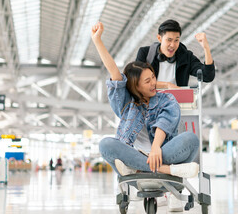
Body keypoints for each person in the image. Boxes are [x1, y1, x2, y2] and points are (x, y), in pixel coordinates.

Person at [92, 21, 199, 177]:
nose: (154, 83)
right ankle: (165, 171)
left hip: (163, 154)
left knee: (191, 139)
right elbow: (115, 73)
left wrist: (156, 148)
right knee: (105, 144)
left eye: (153, 77)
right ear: (136, 86)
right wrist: (97, 41)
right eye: (147, 81)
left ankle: (137, 170)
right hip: (137, 156)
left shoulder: (166, 98)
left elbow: (164, 124)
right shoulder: (127, 104)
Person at [136, 19, 215, 88]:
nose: (173, 45)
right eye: (169, 40)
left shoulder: (186, 57)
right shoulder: (145, 53)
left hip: (176, 103)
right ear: (159, 38)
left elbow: (207, 76)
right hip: (149, 103)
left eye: (176, 40)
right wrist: (167, 85)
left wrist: (206, 48)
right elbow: (137, 80)